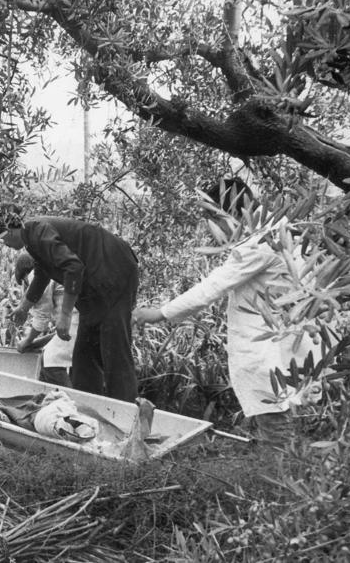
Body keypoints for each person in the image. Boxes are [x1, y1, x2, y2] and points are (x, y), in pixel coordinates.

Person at [132, 182, 323, 445]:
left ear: (227, 213)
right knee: (286, 423)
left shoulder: (260, 242)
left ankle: (279, 480)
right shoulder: (280, 227)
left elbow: (211, 287)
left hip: (269, 348)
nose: (213, 229)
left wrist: (159, 313)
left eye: (212, 218)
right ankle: (286, 475)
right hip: (287, 343)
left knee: (277, 430)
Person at [0, 209, 140, 401]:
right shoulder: (32, 239)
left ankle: (126, 414)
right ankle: (88, 409)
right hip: (93, 292)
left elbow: (73, 267)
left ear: (10, 231)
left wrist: (65, 315)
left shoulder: (38, 231)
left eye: (2, 239)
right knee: (83, 358)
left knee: (114, 350)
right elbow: (42, 275)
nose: (4, 244)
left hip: (114, 276)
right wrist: (23, 308)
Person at [13, 252, 79, 387]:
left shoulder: (35, 276)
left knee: (51, 362)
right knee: (73, 365)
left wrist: (27, 341)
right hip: (78, 320)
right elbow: (58, 335)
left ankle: (71, 402)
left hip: (75, 318)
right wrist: (35, 342)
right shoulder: (52, 269)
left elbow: (42, 317)